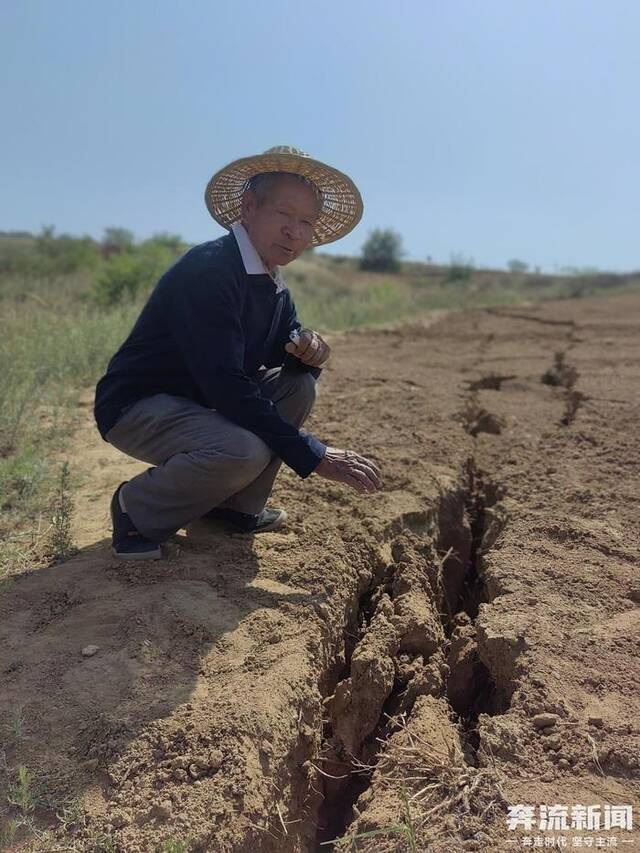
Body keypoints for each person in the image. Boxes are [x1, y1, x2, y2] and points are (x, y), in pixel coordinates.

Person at [94, 145, 382, 560]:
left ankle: (233, 510)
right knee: (241, 450)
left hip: (200, 403)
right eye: (283, 214)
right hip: (138, 406)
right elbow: (226, 384)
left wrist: (308, 353)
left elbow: (287, 357)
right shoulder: (211, 269)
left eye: (306, 222)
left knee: (298, 387)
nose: (294, 231)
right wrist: (314, 455)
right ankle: (136, 508)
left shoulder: (273, 284)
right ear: (248, 208)